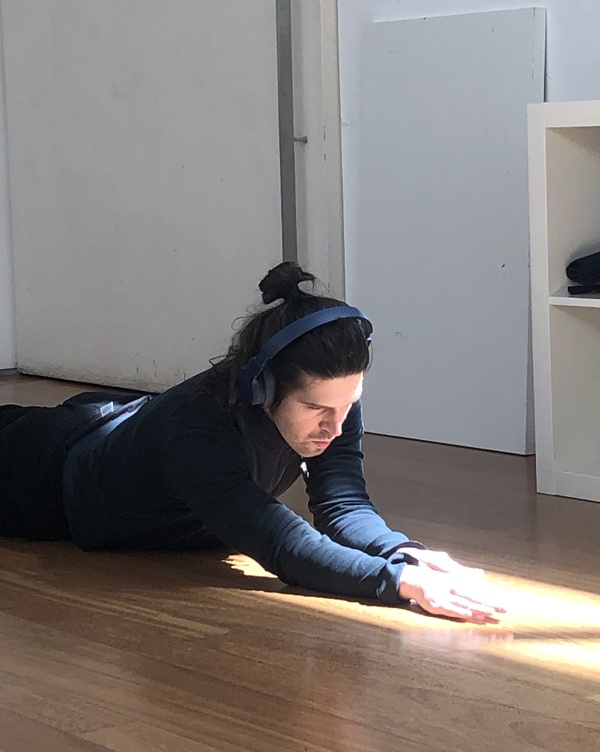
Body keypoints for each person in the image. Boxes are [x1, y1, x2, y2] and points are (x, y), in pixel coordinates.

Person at [0, 262, 505, 621]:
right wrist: (399, 583)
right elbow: (285, 546)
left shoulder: (332, 401)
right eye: (317, 410)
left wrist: (401, 551)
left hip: (114, 429)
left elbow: (343, 504)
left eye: (348, 405)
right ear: (263, 389)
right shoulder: (197, 435)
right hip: (38, 479)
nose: (335, 427)